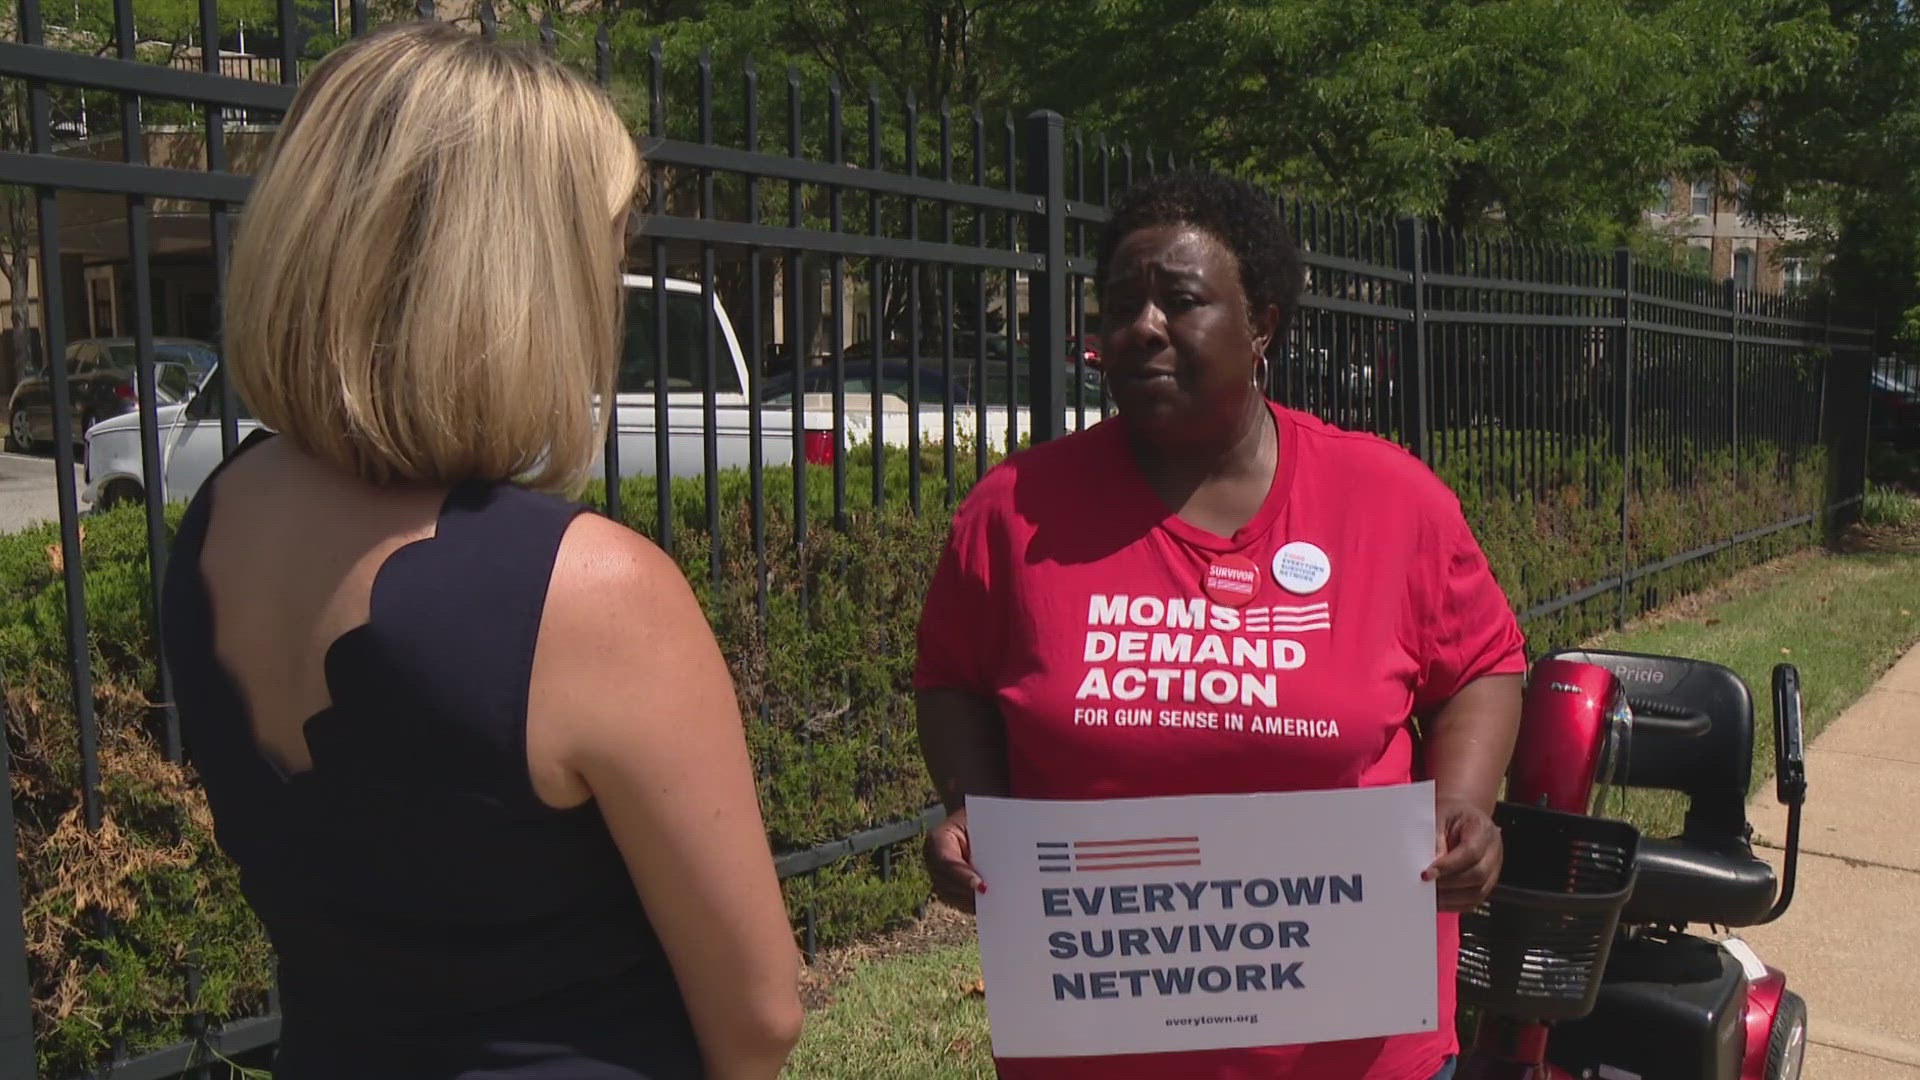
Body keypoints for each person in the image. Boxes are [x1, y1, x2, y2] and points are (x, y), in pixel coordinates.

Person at [158, 23, 801, 1080]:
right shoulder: (587, 592)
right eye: (604, 237)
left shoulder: (221, 517)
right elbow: (761, 1016)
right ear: (521, 272)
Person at [914, 172, 1525, 1080]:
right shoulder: (1015, 513)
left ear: (1262, 324)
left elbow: (1482, 661)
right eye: (1121, 305)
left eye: (1181, 301)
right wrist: (971, 806)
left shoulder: (1388, 501)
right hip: (1096, 1044)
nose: (1144, 327)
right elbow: (954, 676)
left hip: (1352, 1047)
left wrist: (1461, 804)